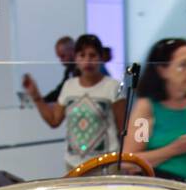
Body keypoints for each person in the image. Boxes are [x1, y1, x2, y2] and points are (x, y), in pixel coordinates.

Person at [22, 35, 123, 171]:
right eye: (82, 55)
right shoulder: (69, 86)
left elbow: (123, 129)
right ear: (76, 59)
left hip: (106, 164)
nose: (87, 61)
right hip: (74, 165)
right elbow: (54, 120)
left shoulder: (113, 86)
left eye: (92, 55)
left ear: (100, 57)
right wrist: (36, 96)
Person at [122, 38, 186, 183]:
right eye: (183, 65)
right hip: (162, 185)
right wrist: (174, 149)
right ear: (162, 70)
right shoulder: (147, 108)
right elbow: (130, 161)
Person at [43, 35, 76, 103]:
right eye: (59, 57)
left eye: (63, 56)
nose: (61, 60)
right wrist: (42, 101)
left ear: (73, 52)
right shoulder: (68, 71)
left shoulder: (85, 71)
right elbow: (60, 90)